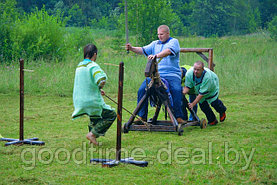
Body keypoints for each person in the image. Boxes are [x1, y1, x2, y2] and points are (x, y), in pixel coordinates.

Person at [126, 25, 185, 124]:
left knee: (176, 90)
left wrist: (156, 56)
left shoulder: (174, 42)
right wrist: (132, 48)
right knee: (142, 90)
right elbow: (143, 50)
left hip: (172, 74)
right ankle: (142, 116)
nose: (159, 36)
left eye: (161, 34)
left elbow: (168, 51)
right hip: (156, 75)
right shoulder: (155, 44)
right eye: (158, 34)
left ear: (167, 33)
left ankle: (178, 116)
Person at [72, 44, 116, 145]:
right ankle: (92, 134)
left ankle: (92, 140)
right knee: (111, 114)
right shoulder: (93, 65)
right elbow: (101, 79)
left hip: (79, 100)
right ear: (95, 54)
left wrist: (97, 89)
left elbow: (85, 83)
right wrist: (100, 87)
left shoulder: (79, 66)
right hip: (91, 101)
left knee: (95, 117)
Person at [182, 61, 226, 125]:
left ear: (203, 69)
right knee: (203, 105)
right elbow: (187, 87)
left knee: (214, 103)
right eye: (194, 69)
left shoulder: (208, 77)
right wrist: (182, 94)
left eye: (198, 70)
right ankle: (212, 120)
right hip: (199, 88)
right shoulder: (189, 74)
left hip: (211, 87)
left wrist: (193, 104)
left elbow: (201, 94)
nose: (196, 71)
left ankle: (222, 111)